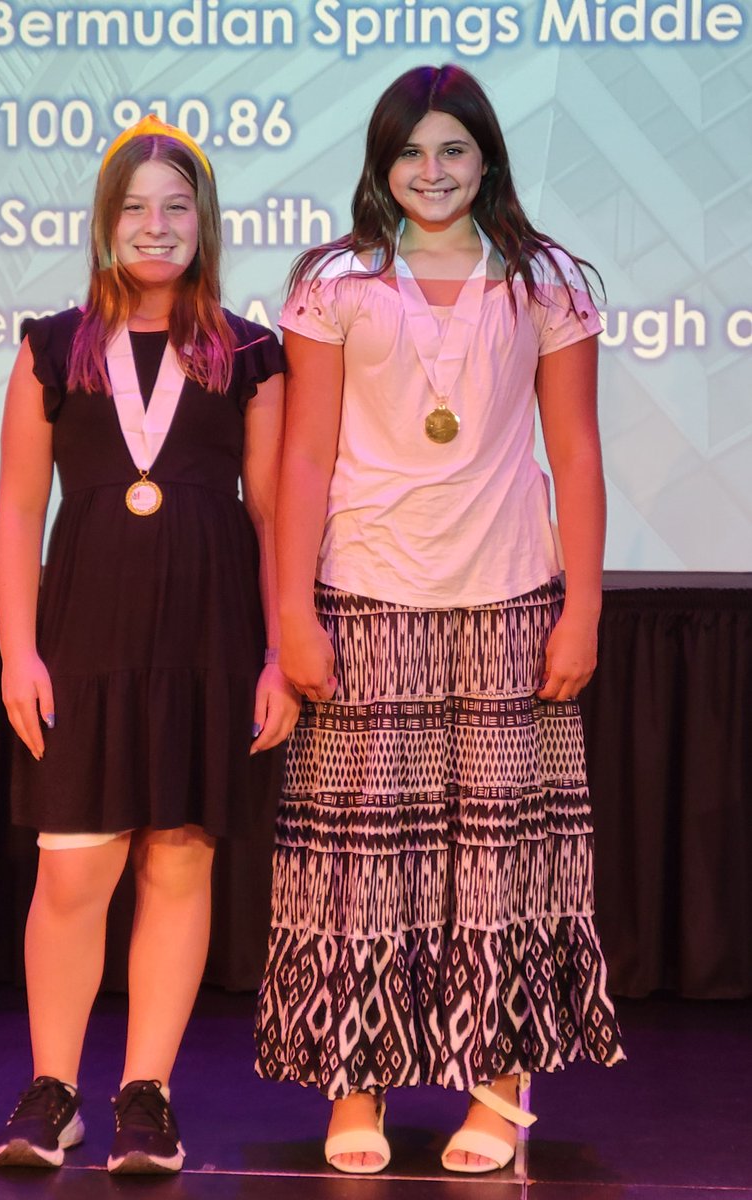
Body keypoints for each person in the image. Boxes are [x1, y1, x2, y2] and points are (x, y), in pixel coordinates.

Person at [254, 65, 625, 1176]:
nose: (432, 171)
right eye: (411, 152)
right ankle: (353, 1087)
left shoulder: (547, 281)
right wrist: (291, 615)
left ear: (487, 159)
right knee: (360, 863)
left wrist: (586, 605)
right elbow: (304, 454)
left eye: (453, 150)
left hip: (511, 596)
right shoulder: (336, 283)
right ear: (381, 165)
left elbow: (578, 452)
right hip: (366, 592)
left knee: (506, 858)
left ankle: (498, 1092)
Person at [0, 115, 298, 1175]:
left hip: (211, 644)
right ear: (103, 223)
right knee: (74, 876)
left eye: (176, 208)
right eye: (135, 209)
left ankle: (146, 1096)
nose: (156, 227)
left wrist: (276, 658)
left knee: (178, 863)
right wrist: (15, 654)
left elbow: (271, 517)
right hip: (85, 642)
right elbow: (16, 513)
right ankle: (54, 1089)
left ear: (203, 225)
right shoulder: (52, 346)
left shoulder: (253, 354)